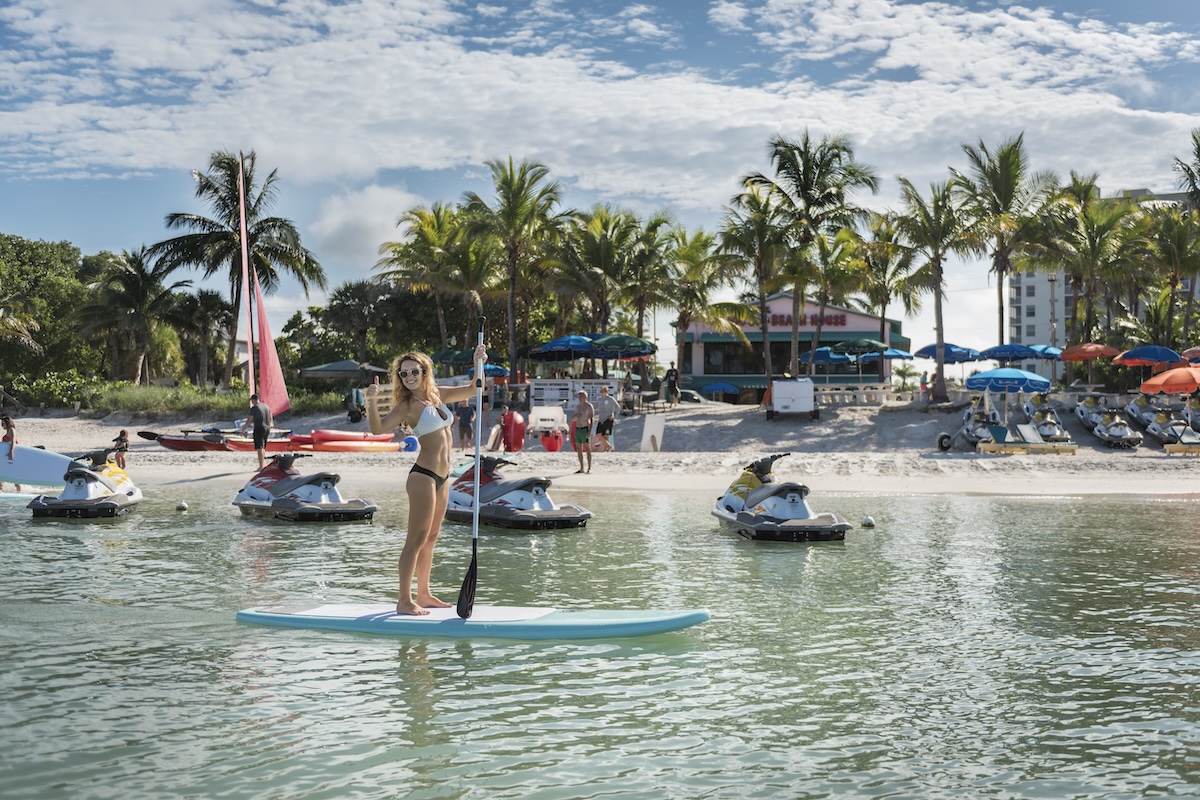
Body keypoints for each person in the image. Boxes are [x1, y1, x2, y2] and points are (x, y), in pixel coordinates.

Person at [366, 343, 487, 616]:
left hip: (444, 477)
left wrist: (478, 360)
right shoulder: (406, 407)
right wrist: (371, 400)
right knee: (416, 539)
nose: (409, 377)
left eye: (413, 372)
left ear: (424, 371)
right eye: (403, 374)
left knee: (431, 537)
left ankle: (424, 593)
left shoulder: (437, 396)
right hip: (423, 477)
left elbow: (474, 388)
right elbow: (376, 429)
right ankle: (404, 600)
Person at [238, 393, 273, 471]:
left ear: (253, 400)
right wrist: (270, 425)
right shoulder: (266, 406)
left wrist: (243, 431)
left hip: (259, 428)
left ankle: (261, 467)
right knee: (263, 447)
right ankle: (262, 465)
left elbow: (249, 420)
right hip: (267, 428)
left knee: (259, 447)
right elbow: (270, 417)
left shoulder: (254, 408)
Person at [592, 385, 621, 452]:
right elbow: (594, 406)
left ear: (606, 392)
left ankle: (606, 449)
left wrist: (615, 416)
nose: (602, 393)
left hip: (608, 419)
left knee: (606, 435)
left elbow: (618, 407)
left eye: (603, 391)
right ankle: (609, 446)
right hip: (601, 420)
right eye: (601, 391)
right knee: (598, 434)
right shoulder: (599, 400)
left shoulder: (611, 399)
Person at [571, 390, 594, 473]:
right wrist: (576, 416)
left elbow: (591, 419)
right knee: (579, 449)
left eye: (581, 396)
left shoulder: (589, 406)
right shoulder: (578, 407)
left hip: (585, 428)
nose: (580, 398)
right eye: (579, 397)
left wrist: (589, 431)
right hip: (578, 428)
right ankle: (581, 468)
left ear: (585, 397)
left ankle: (589, 467)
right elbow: (573, 418)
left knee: (587, 448)